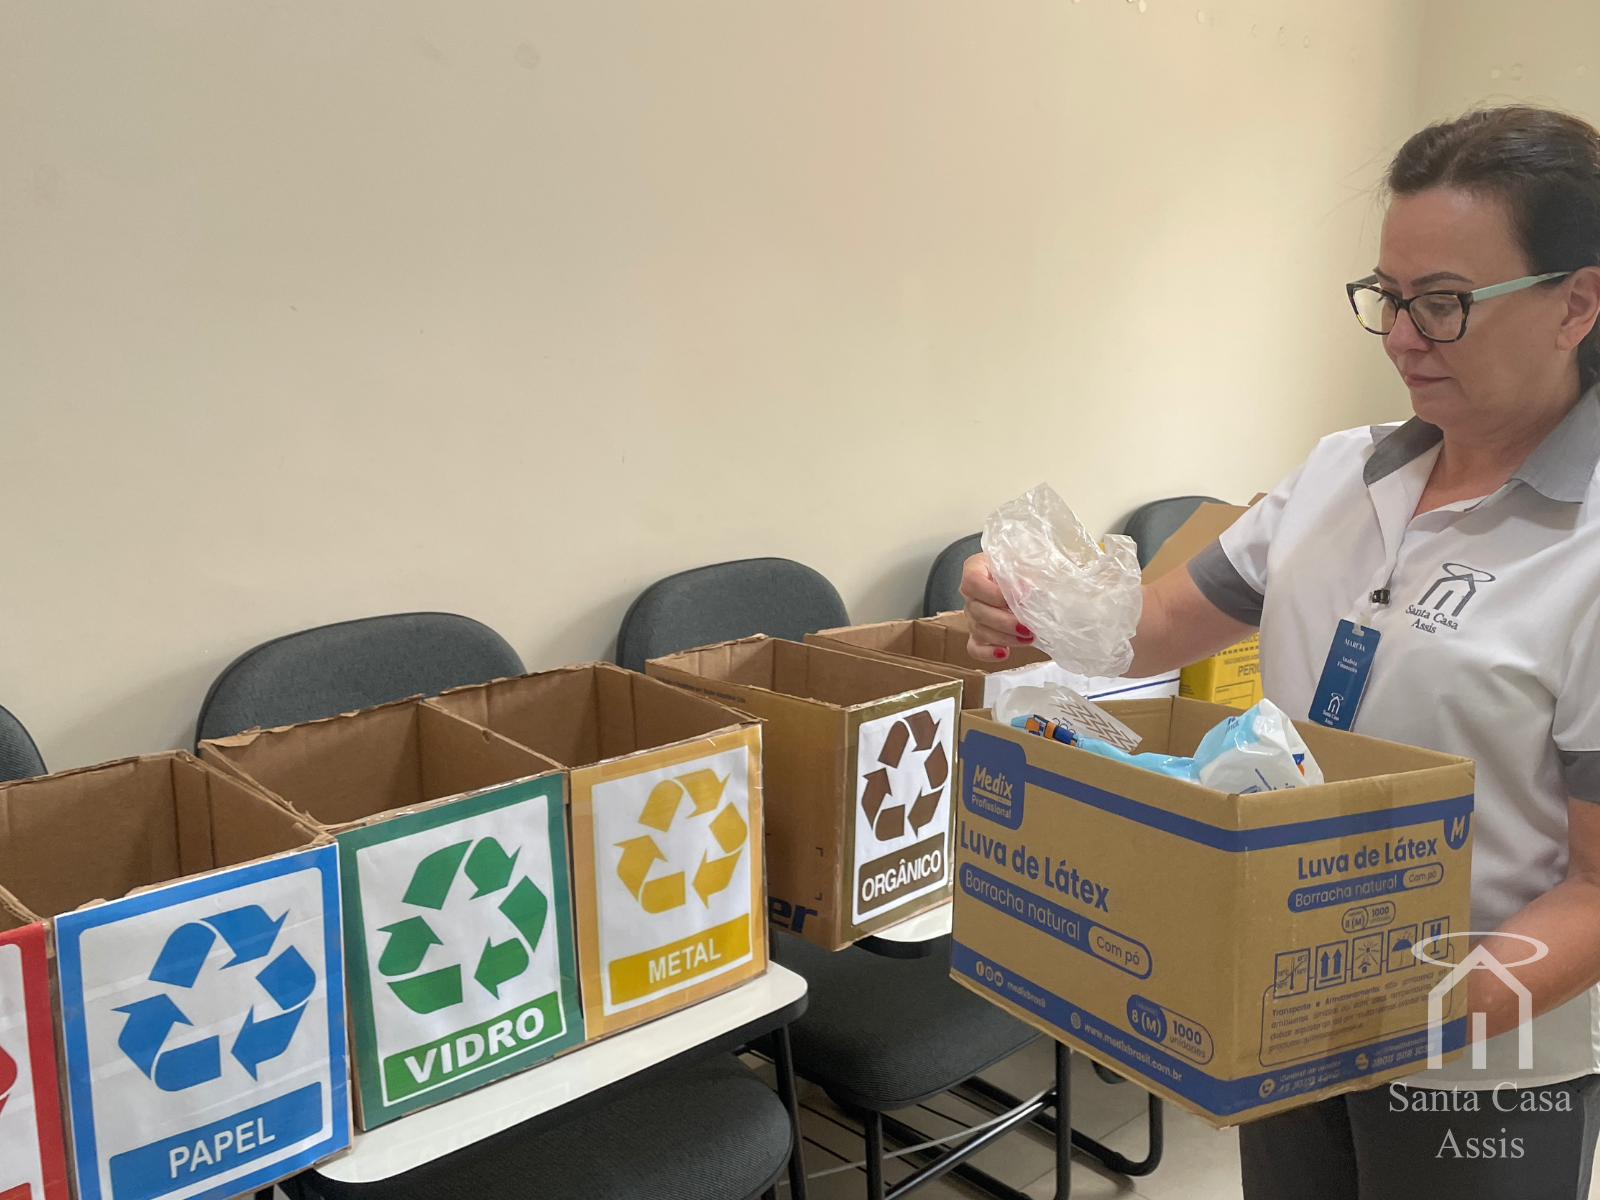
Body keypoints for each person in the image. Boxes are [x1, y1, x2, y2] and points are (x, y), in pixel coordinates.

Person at [961, 106, 1600, 1199]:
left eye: (1443, 301)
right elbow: (1153, 628)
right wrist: (1032, 599)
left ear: (1576, 304)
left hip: (1485, 1060)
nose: (1402, 337)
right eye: (1388, 296)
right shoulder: (1343, 476)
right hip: (1285, 1009)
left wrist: (1400, 1020)